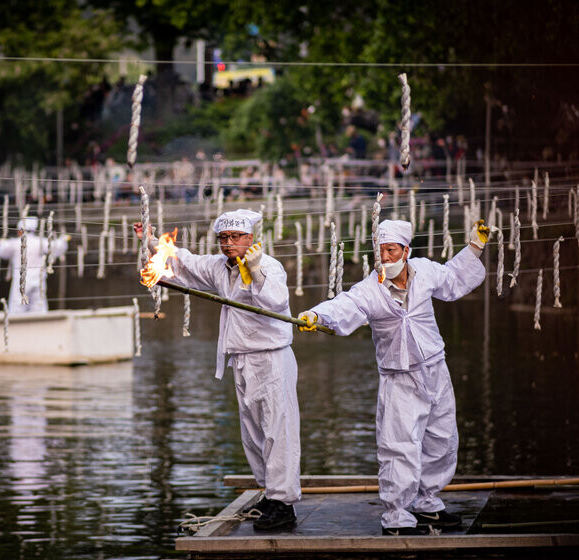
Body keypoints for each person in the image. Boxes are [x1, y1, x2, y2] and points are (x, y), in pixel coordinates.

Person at [298, 219, 491, 536]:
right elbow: (344, 305)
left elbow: (454, 277)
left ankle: (427, 504)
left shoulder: (424, 272)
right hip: (398, 376)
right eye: (380, 251)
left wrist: (475, 246)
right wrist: (316, 315)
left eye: (390, 250)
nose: (385, 257)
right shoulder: (369, 290)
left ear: (405, 250)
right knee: (398, 445)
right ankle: (397, 516)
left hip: (435, 369)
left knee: (441, 439)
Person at [134, 209, 301, 531]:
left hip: (271, 359)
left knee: (277, 430)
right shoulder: (219, 267)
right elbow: (185, 262)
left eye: (236, 237)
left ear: (251, 238)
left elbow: (277, 302)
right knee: (252, 433)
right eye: (223, 238)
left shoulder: (268, 266)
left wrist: (256, 272)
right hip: (241, 357)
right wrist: (153, 241)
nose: (228, 244)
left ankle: (285, 502)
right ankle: (271, 491)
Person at [0, 217, 68, 313]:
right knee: (38, 307)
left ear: (21, 231)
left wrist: (1, 242)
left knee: (18, 308)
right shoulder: (40, 242)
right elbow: (56, 247)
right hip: (37, 280)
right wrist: (63, 240)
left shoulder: (16, 243)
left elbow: (3, 252)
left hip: (21, 281)